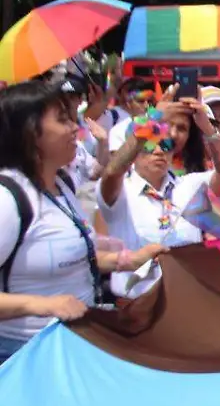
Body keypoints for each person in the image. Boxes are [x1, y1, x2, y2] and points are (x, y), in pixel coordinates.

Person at [0, 80, 163, 362]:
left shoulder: (62, 184)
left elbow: (69, 256)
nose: (76, 128)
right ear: (29, 132)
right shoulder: (7, 199)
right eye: (63, 120)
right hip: (23, 356)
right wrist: (43, 304)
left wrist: (128, 261)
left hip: (73, 345)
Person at [99, 87, 220, 297]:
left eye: (167, 144)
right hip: (137, 305)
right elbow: (111, 173)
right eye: (148, 145)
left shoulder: (188, 185)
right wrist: (153, 118)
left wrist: (207, 129)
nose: (159, 150)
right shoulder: (120, 191)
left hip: (188, 300)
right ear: (134, 151)